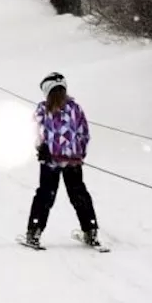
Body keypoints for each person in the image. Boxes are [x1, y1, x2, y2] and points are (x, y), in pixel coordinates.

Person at [26, 72, 99, 249]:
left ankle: (34, 231)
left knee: (45, 195)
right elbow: (84, 133)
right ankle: (90, 230)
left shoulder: (43, 109)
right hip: (73, 162)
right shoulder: (76, 108)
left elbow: (35, 130)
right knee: (79, 194)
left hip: (50, 160)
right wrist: (79, 152)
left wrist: (40, 147)